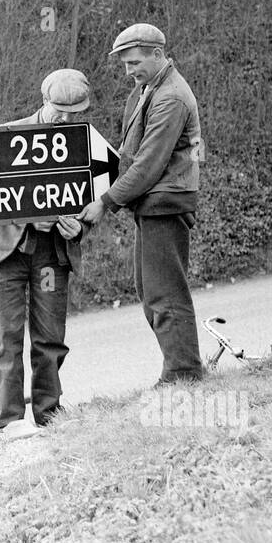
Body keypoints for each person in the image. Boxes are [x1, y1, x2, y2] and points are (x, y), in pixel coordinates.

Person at [78, 24, 204, 384]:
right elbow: (128, 153)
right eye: (125, 64)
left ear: (157, 55)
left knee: (165, 291)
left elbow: (148, 164)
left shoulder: (171, 97)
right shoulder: (147, 89)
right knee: (149, 290)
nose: (129, 71)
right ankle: (182, 367)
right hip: (152, 204)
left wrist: (106, 202)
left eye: (134, 62)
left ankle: (184, 372)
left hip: (166, 202)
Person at [0, 68, 90, 438]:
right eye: (60, 111)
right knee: (7, 338)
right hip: (8, 251)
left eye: (75, 113)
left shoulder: (86, 144)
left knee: (49, 339)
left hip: (51, 255)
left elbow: (92, 197)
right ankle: (10, 422)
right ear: (45, 102)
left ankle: (49, 415)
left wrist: (83, 225)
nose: (66, 120)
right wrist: (32, 215)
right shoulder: (9, 136)